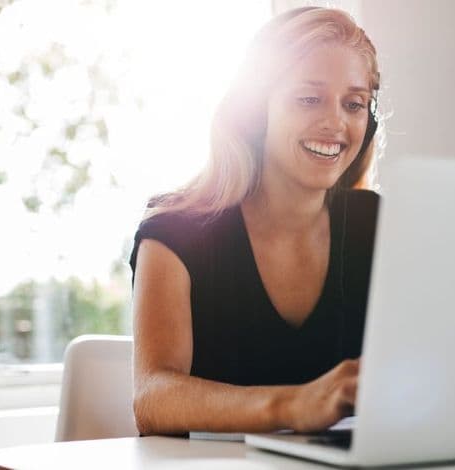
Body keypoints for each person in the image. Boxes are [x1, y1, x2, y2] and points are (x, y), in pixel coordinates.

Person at [129, 6, 382, 436]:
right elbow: (153, 397)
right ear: (256, 110)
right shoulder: (175, 232)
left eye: (354, 104)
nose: (336, 122)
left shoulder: (378, 227)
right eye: (308, 98)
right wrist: (293, 404)